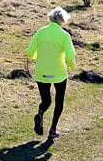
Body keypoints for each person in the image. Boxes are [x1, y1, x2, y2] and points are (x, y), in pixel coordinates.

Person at [25, 7, 76, 139]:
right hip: (59, 73)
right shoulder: (64, 35)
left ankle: (40, 113)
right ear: (63, 20)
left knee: (46, 100)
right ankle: (53, 129)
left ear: (50, 18)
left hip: (41, 71)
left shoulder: (41, 32)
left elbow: (29, 51)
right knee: (59, 101)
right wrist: (72, 67)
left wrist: (37, 57)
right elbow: (70, 56)